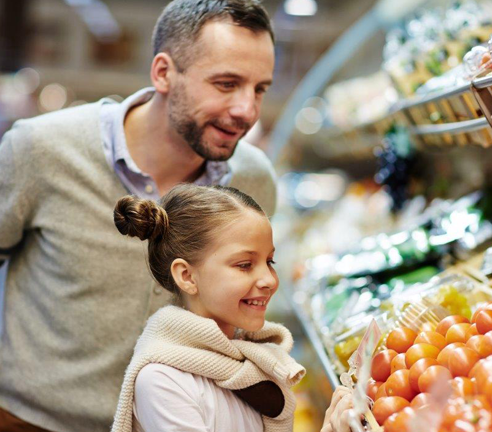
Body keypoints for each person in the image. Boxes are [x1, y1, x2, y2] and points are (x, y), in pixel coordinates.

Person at [0, 0, 280, 431]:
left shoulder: (253, 181)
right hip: (33, 423)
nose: (247, 111)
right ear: (163, 72)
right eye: (226, 84)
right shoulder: (42, 149)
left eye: (259, 89)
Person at [110, 184, 354, 432]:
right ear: (187, 276)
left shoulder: (250, 364)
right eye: (245, 264)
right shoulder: (162, 381)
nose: (269, 279)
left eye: (270, 261)